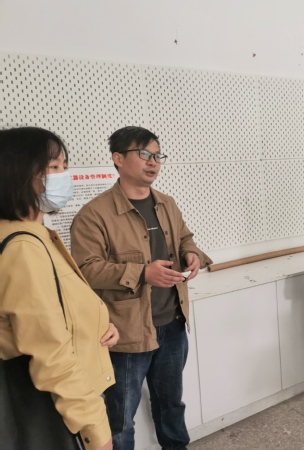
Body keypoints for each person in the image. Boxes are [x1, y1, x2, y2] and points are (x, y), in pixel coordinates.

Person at [70, 126, 212, 450]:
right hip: (127, 332)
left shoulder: (167, 203)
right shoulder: (94, 214)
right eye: (144, 154)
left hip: (172, 323)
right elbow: (85, 269)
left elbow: (185, 238)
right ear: (118, 159)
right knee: (120, 419)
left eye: (158, 155)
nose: (153, 162)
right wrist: (142, 273)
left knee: (171, 405)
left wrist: (192, 253)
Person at [0, 127, 118, 450]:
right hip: (55, 409)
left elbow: (51, 313)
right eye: (54, 167)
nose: (64, 175)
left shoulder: (30, 234)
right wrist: (95, 430)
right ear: (19, 174)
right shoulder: (23, 247)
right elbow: (50, 351)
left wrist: (97, 323)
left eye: (64, 165)